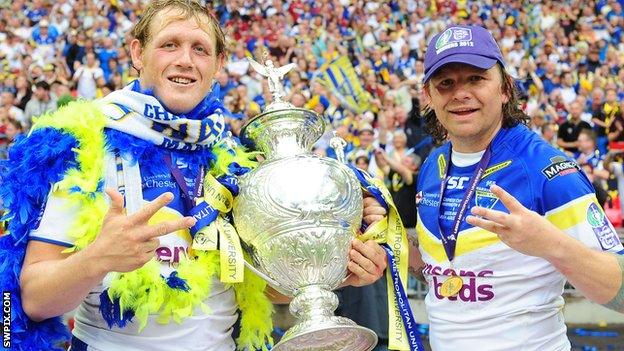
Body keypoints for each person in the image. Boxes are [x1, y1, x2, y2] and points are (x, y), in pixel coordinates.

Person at [0, 2, 388, 351]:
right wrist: (96, 260)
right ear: (138, 53)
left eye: (200, 49)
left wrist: (331, 275)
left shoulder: (233, 161)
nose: (185, 60)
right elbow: (32, 299)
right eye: (169, 44)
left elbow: (259, 285)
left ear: (218, 66)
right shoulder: (85, 144)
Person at [411, 24, 623, 350]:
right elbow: (446, 276)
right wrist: (389, 254)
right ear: (429, 96)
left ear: (505, 88)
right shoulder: (432, 165)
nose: (460, 93)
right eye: (446, 83)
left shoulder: (547, 169)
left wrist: (552, 245)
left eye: (476, 79)